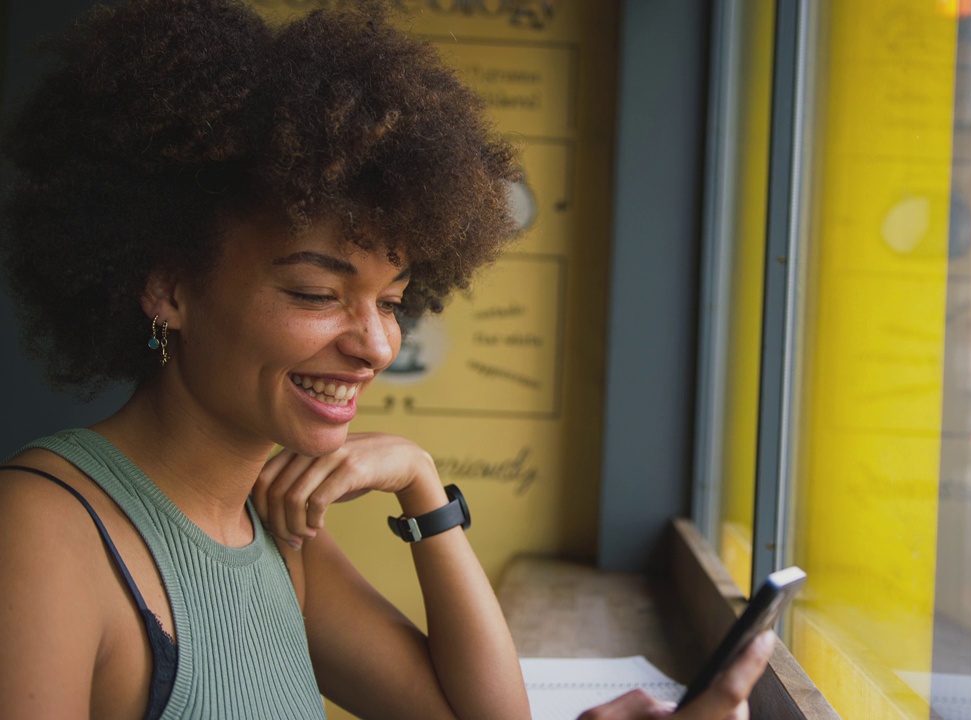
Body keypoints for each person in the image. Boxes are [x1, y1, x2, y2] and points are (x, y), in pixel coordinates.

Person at [0, 1, 773, 718]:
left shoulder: (269, 526)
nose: (374, 345)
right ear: (168, 287)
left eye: (393, 303)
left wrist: (421, 484)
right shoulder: (42, 533)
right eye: (314, 293)